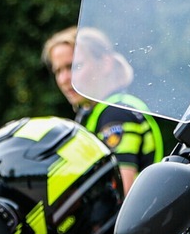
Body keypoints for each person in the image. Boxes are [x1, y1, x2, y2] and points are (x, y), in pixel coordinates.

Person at [43, 26, 164, 191]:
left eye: (73, 66)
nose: (64, 78)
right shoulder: (99, 113)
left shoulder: (115, 113)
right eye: (58, 70)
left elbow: (122, 194)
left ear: (106, 63)